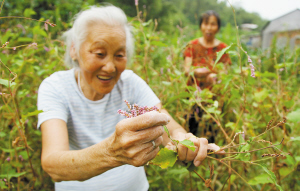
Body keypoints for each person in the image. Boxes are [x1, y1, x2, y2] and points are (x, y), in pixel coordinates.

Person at [38, 5, 220, 191]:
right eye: (100, 54)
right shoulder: (56, 88)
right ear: (74, 50)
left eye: (119, 55)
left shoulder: (130, 82)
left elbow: (165, 122)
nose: (110, 67)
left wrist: (184, 141)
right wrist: (111, 153)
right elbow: (53, 164)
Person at [183, 10, 231, 139]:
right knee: (191, 129)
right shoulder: (192, 46)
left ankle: (209, 155)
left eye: (213, 24)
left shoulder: (222, 48)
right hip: (194, 93)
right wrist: (196, 72)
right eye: (206, 23)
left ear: (218, 27)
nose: (209, 28)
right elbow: (187, 69)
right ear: (201, 26)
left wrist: (216, 77)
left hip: (214, 95)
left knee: (211, 131)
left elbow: (225, 73)